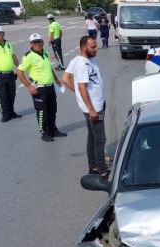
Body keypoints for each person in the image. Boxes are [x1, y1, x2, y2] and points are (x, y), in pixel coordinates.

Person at [63, 36, 108, 177]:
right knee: (100, 139)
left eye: (96, 46)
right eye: (93, 47)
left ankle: (93, 166)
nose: (96, 49)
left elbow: (65, 78)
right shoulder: (82, 64)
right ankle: (102, 170)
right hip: (94, 107)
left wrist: (78, 94)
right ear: (83, 47)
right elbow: (82, 87)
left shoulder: (81, 60)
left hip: (96, 104)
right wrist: (91, 109)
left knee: (92, 137)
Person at [15, 33, 67, 142]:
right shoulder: (28, 56)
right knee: (42, 111)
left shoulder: (46, 53)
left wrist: (57, 80)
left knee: (53, 110)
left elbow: (49, 68)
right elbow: (19, 72)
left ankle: (53, 130)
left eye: (39, 41)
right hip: (39, 88)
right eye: (35, 42)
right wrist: (29, 87)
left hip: (50, 87)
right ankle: (44, 132)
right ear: (31, 44)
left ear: (42, 42)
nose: (37, 44)